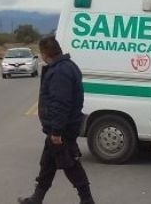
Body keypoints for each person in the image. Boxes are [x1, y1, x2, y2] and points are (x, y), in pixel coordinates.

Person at [18, 36, 95, 204]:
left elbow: (61, 103)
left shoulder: (60, 71)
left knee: (70, 164)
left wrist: (57, 131)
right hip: (60, 126)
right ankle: (36, 198)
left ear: (45, 53)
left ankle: (87, 199)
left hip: (62, 128)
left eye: (41, 53)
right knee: (47, 164)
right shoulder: (66, 66)